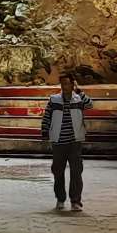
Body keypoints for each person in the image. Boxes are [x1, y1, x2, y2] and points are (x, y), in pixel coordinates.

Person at [41, 72, 92, 211]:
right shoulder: (54, 100)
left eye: (68, 83)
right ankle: (60, 198)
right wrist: (45, 130)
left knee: (76, 171)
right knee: (58, 171)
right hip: (58, 141)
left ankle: (75, 201)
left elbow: (90, 105)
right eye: (63, 83)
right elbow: (47, 116)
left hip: (75, 141)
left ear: (72, 84)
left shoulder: (78, 99)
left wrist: (79, 91)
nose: (65, 86)